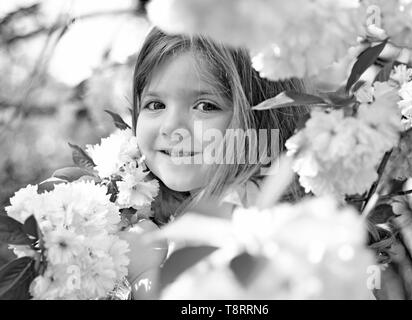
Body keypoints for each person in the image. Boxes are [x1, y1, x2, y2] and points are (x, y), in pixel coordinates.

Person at [118, 27, 311, 299]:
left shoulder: (239, 217)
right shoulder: (202, 207)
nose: (171, 126)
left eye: (206, 106)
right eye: (155, 104)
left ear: (260, 120)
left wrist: (143, 277)